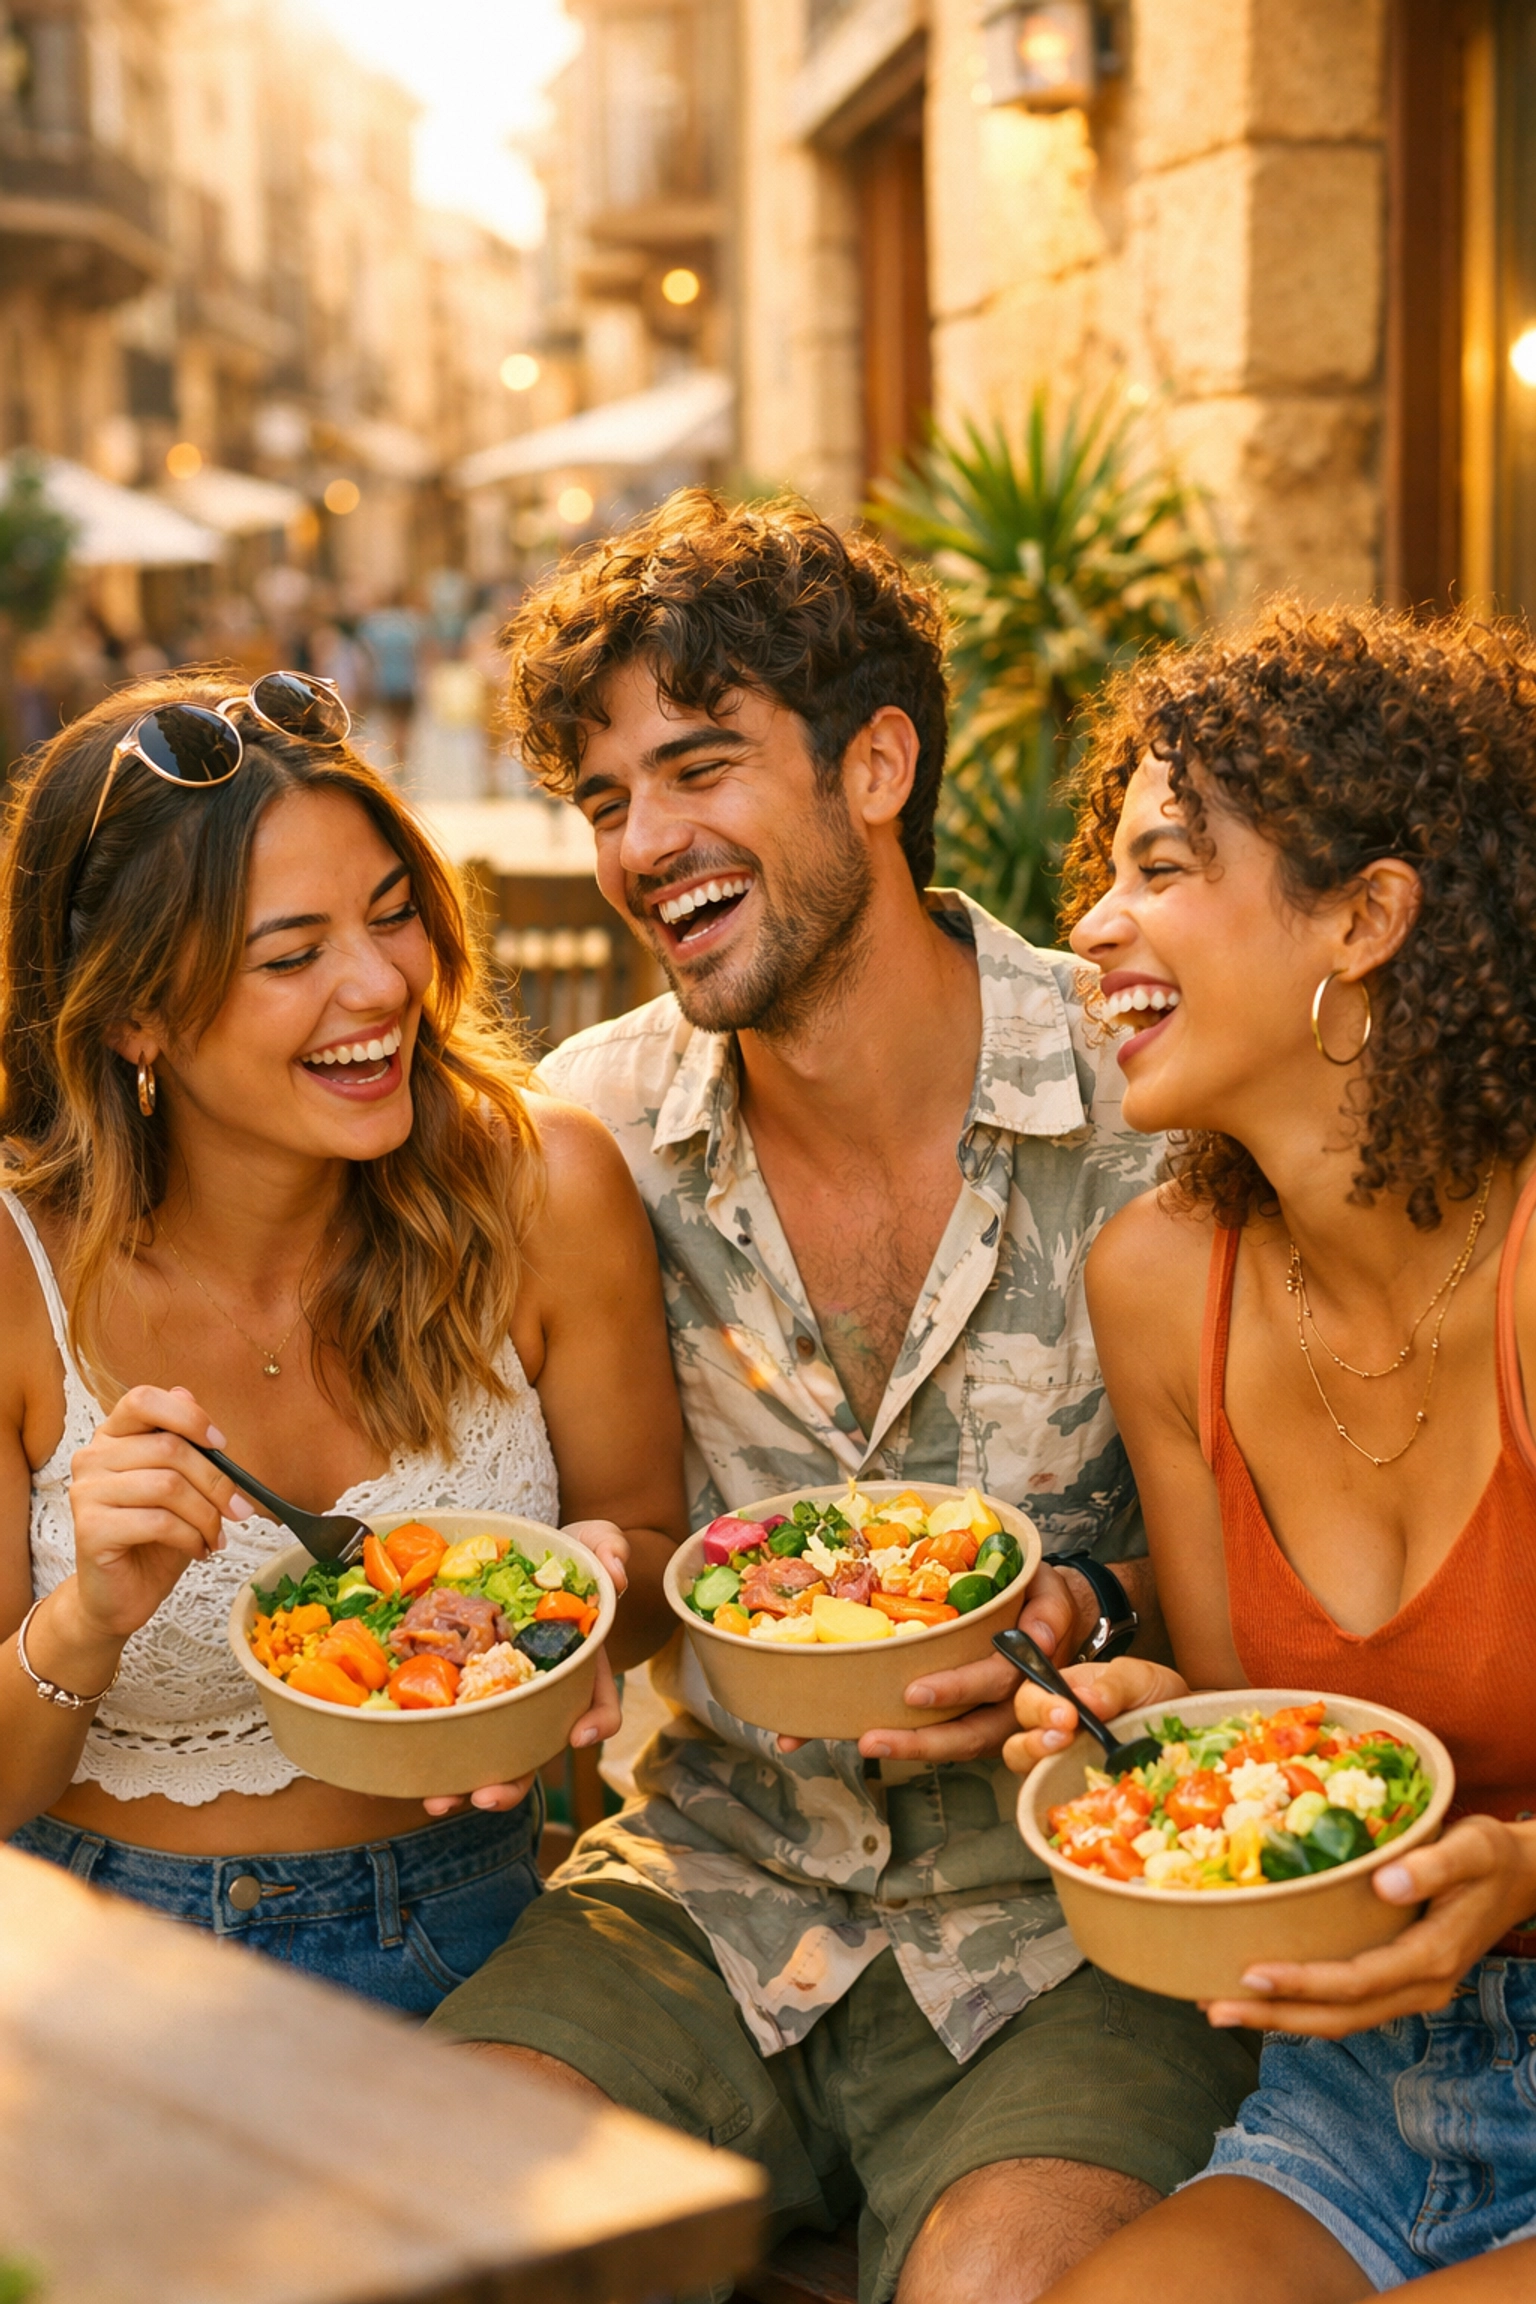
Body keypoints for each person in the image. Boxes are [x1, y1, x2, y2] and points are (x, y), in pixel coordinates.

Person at [424, 493, 1261, 2304]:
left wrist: (1087, 1612)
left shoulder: (1160, 1116)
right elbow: (602, 1541)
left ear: (877, 763)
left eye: (699, 768)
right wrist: (537, 1638)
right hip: (707, 1882)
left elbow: (1289, 1593)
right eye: (602, 798)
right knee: (431, 2218)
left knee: (1003, 2282)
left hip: (1070, 1929)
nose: (645, 845)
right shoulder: (593, 1130)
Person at [0, 667, 685, 2013]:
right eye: (291, 956)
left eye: (392, 917)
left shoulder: (544, 1186)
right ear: (137, 1015)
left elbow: (650, 1557)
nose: (379, 987)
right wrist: (86, 1620)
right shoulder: (16, 1272)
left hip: (482, 1936)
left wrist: (598, 1598)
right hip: (95, 1963)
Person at [1004, 604, 1536, 2301]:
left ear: (1369, 917)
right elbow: (1280, 1744)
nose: (1093, 923)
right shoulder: (1161, 1287)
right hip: (1359, 2074)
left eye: (1165, 867)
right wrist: (1179, 1757)